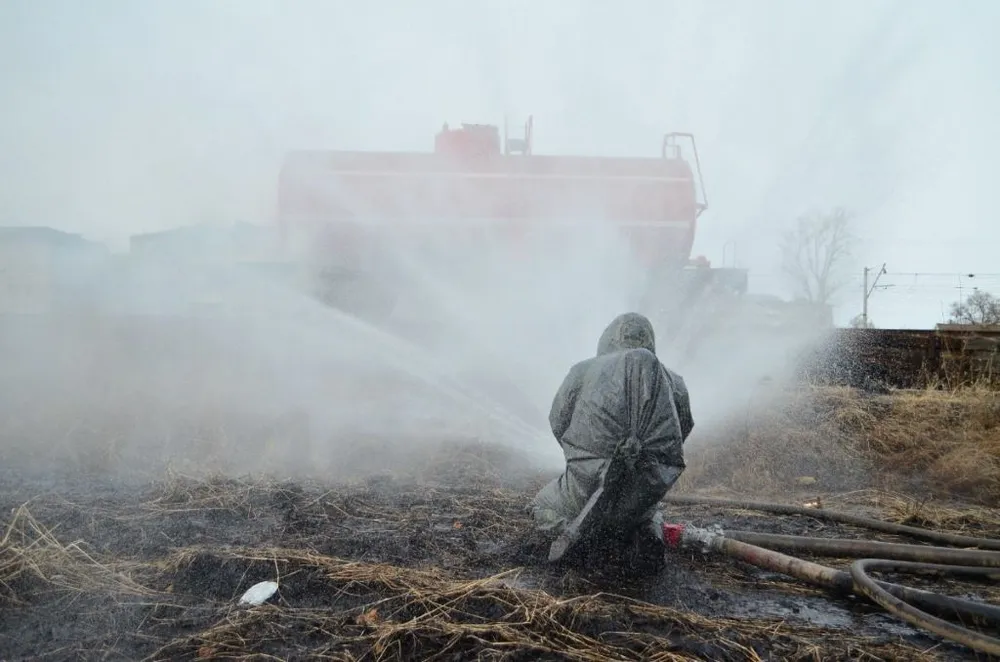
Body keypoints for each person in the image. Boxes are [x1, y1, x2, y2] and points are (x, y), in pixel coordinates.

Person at [529, 312, 693, 573]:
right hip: (641, 491)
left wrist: (585, 458)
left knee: (540, 506)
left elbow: (558, 422)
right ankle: (645, 533)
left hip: (585, 488)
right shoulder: (674, 381)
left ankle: (579, 534)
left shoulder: (583, 370)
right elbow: (680, 432)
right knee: (649, 513)